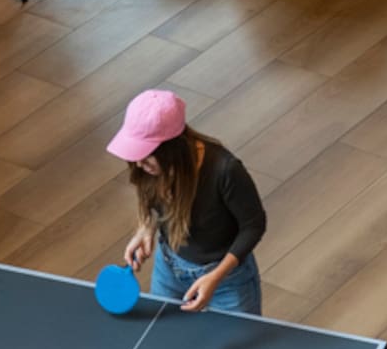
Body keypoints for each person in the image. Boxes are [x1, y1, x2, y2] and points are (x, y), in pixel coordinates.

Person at [107, 89, 267, 315]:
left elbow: (254, 225)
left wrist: (216, 276)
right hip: (169, 269)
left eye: (147, 154)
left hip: (227, 281)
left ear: (174, 148)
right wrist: (146, 228)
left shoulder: (225, 169)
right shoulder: (148, 167)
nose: (140, 162)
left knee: (244, 348)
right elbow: (157, 203)